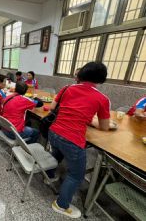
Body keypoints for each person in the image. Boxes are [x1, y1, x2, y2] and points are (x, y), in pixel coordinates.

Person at [47, 62, 110, 219]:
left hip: (54, 132)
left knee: (57, 152)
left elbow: (64, 109)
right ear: (101, 79)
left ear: (81, 74)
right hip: (72, 139)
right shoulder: (102, 98)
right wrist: (94, 120)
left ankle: (48, 175)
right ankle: (61, 205)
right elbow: (104, 127)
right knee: (76, 175)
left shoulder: (67, 88)